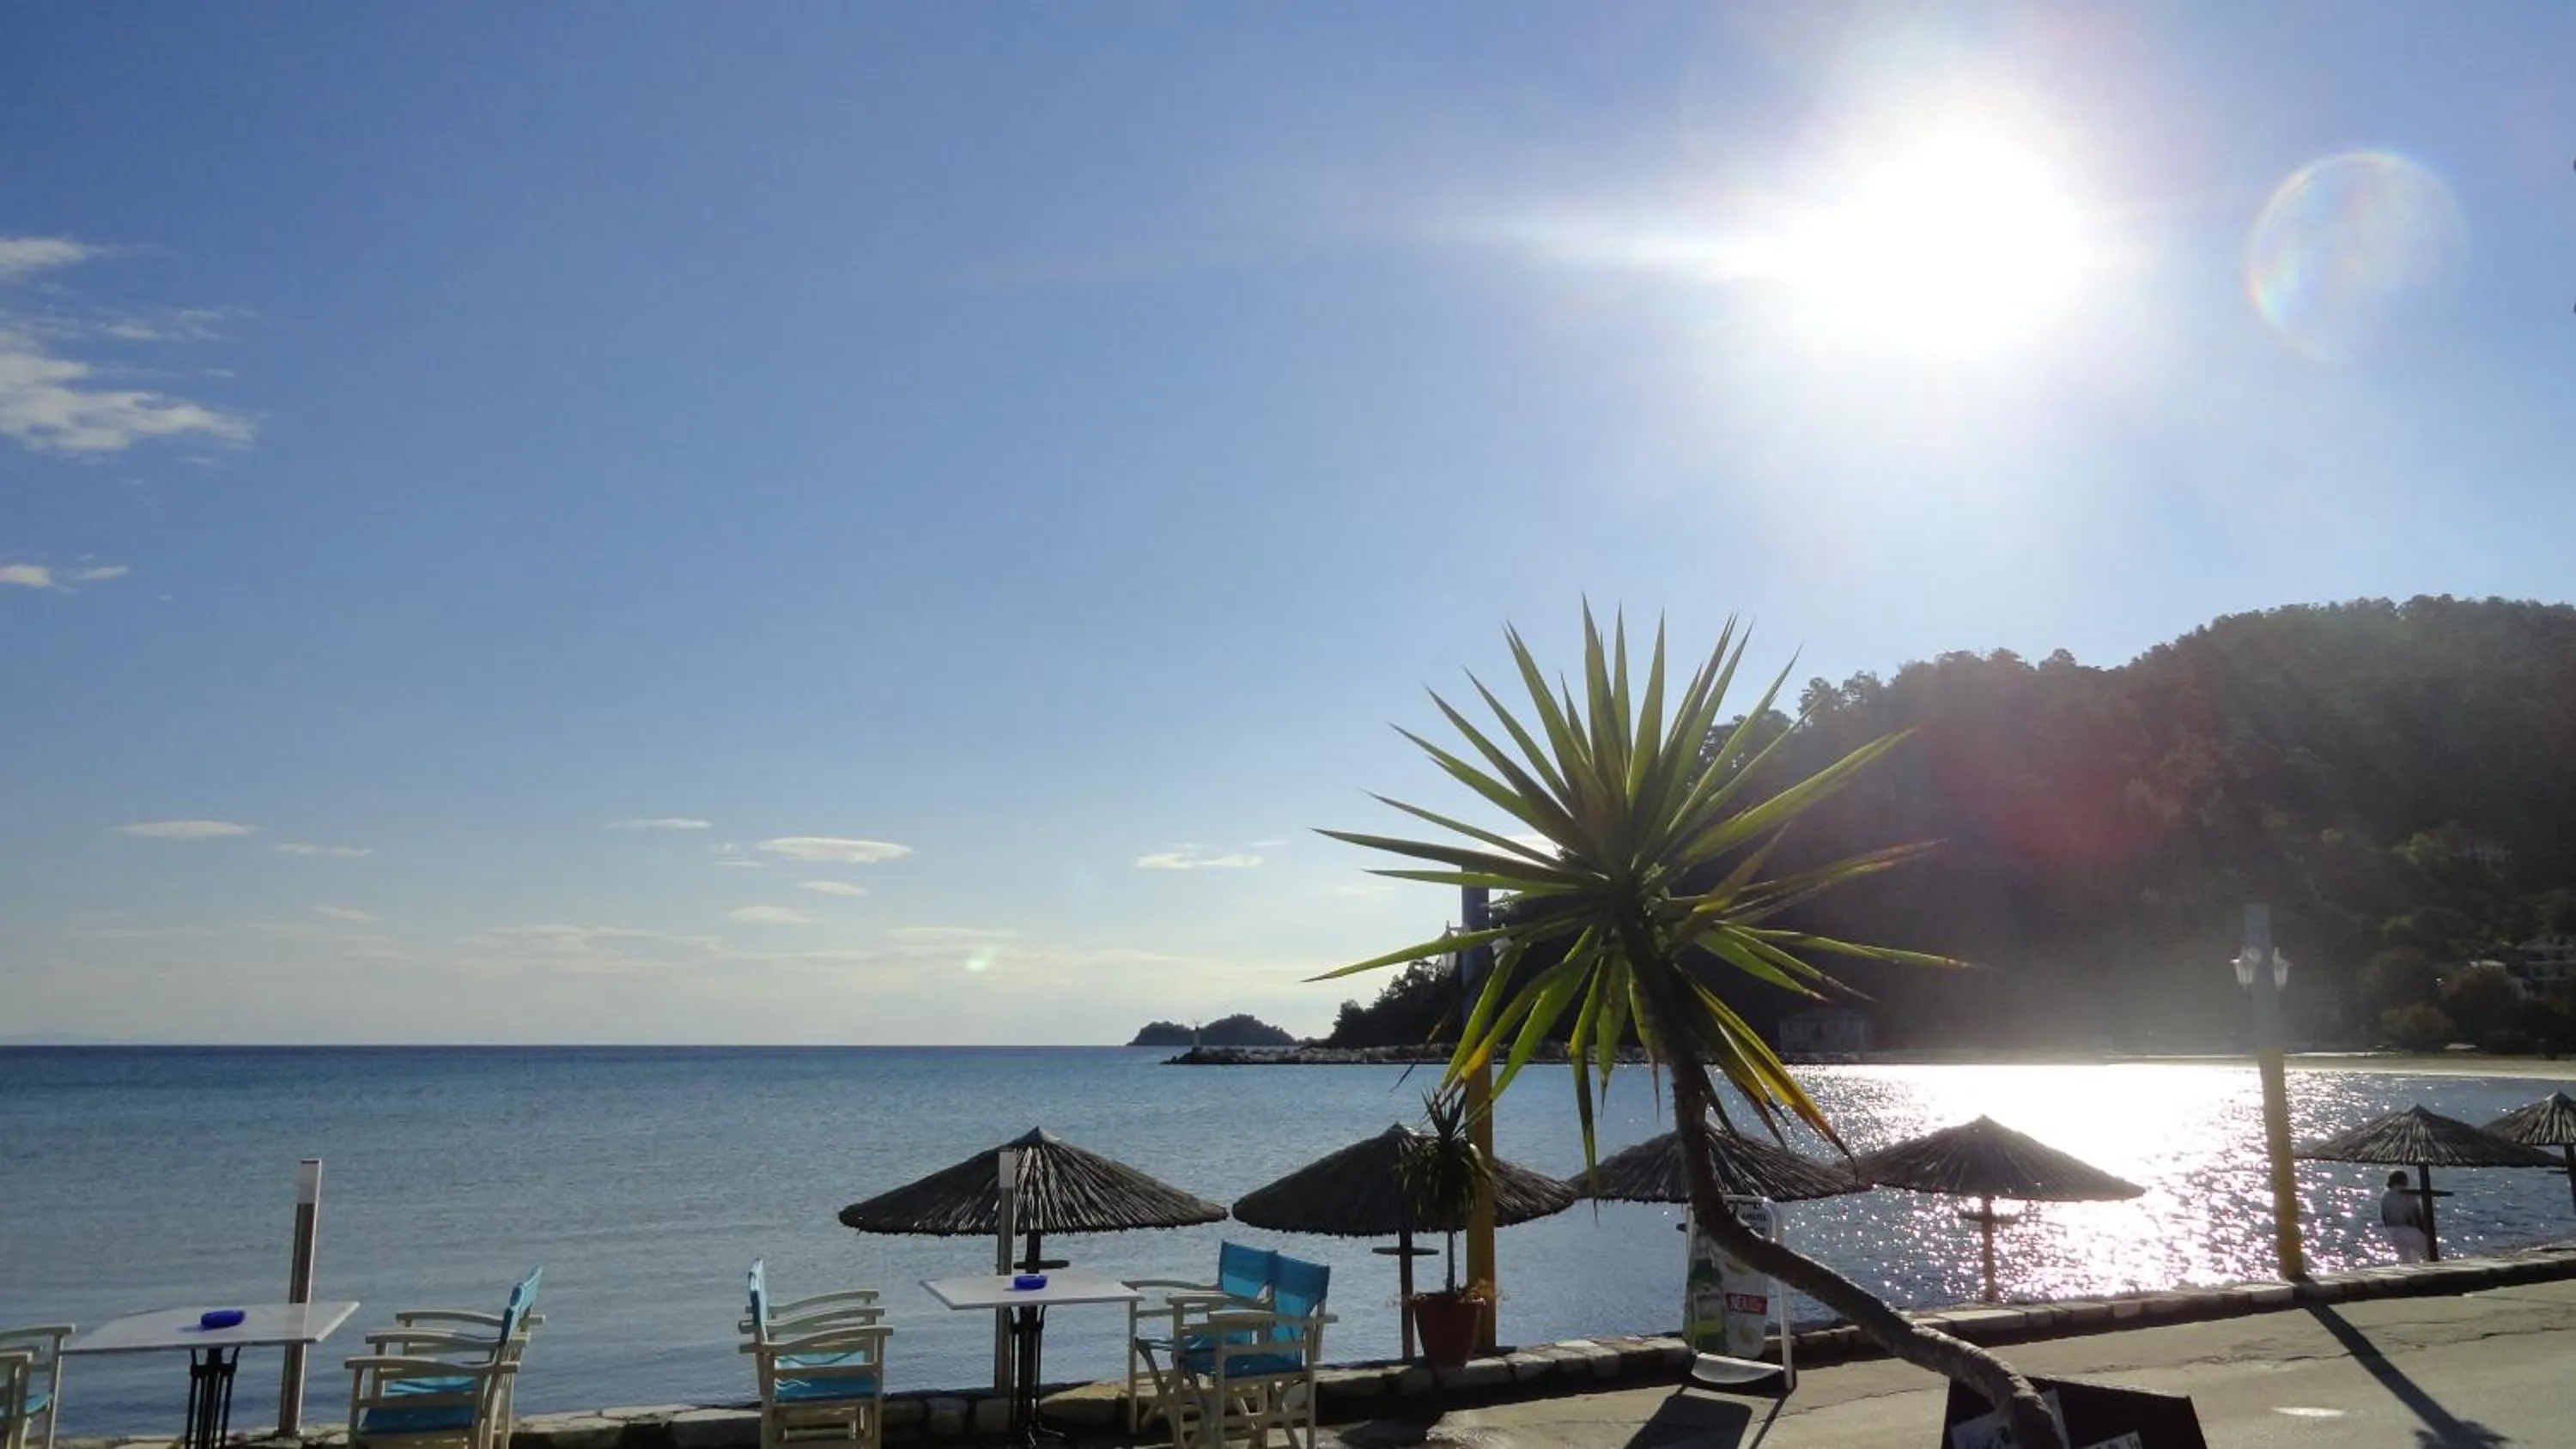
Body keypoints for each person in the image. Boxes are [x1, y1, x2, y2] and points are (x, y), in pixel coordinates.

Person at [2380, 1169, 2431, 1262]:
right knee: (2428, 1254)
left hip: (2393, 1232)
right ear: (2403, 1180)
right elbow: (2417, 1217)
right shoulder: (2409, 1194)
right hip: (2409, 1230)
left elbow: (2384, 1217)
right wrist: (2426, 1233)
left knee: (2407, 1260)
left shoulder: (2385, 1196)